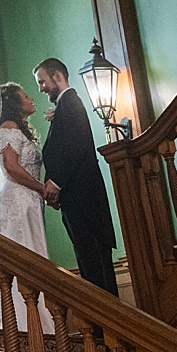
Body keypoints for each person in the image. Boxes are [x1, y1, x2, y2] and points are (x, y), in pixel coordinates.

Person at [0, 82, 56, 332]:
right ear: (14, 103)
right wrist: (40, 188)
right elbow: (11, 166)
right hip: (17, 202)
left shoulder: (19, 129)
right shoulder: (8, 127)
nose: (31, 98)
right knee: (18, 257)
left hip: (28, 201)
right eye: (25, 95)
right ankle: (13, 323)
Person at [35, 57, 120, 296]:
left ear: (57, 76)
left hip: (84, 202)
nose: (41, 88)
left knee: (95, 267)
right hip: (77, 200)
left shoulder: (71, 103)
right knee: (89, 263)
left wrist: (56, 183)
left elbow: (77, 146)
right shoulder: (64, 106)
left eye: (42, 81)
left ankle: (106, 318)